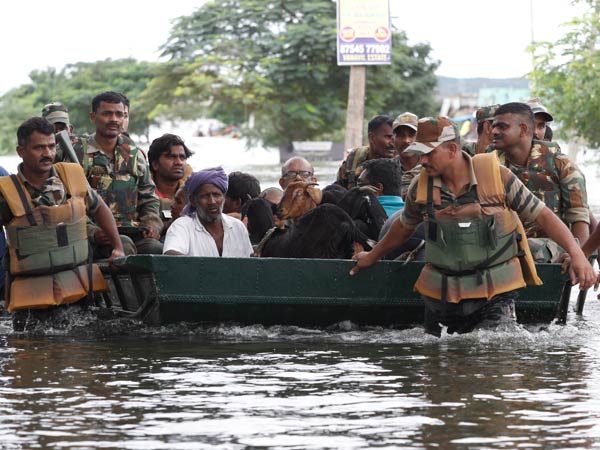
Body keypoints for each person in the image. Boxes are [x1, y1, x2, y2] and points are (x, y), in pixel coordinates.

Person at [350, 116, 596, 336]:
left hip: (494, 293)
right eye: (420, 153)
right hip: (440, 295)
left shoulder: (497, 178)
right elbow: (403, 227)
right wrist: (372, 256)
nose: (422, 160)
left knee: (493, 360)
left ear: (452, 149)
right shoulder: (421, 187)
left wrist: (578, 254)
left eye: (429, 153)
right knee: (436, 365)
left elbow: (544, 217)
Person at [0, 117, 124, 314]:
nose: (47, 153)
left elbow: (100, 208)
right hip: (33, 299)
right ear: (21, 151)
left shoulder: (71, 178)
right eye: (39, 148)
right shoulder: (7, 192)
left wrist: (118, 247)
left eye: (51, 146)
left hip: (79, 288)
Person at [490, 102, 589, 262]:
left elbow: (579, 218)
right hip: (503, 244)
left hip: (550, 248)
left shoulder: (561, 164)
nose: (494, 131)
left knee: (528, 247)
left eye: (502, 127)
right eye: (493, 126)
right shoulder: (488, 163)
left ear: (523, 129)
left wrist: (579, 258)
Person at [71, 91, 163, 256]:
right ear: (93, 117)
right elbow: (69, 202)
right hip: (92, 238)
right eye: (107, 114)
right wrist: (92, 232)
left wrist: (152, 224)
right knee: (124, 245)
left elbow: (149, 197)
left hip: (132, 231)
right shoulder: (76, 154)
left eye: (119, 114)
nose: (114, 119)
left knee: (156, 249)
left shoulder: (135, 154)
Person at [164, 167, 253, 257]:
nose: (212, 201)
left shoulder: (238, 227)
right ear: (193, 200)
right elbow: (171, 255)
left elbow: (248, 261)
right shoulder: (182, 226)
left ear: (223, 198)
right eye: (205, 196)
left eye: (216, 195)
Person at [147, 133, 193, 233]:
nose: (179, 162)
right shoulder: (142, 193)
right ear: (155, 165)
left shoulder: (193, 193)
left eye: (182, 157)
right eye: (172, 157)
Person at [336, 115, 395, 189]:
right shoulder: (355, 157)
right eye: (388, 137)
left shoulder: (400, 162)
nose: (393, 143)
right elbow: (338, 188)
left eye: (395, 137)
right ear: (372, 138)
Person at [391, 112, 421, 199]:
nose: (406, 140)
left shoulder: (431, 167)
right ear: (393, 140)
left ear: (420, 138)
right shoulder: (388, 169)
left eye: (411, 135)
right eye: (401, 135)